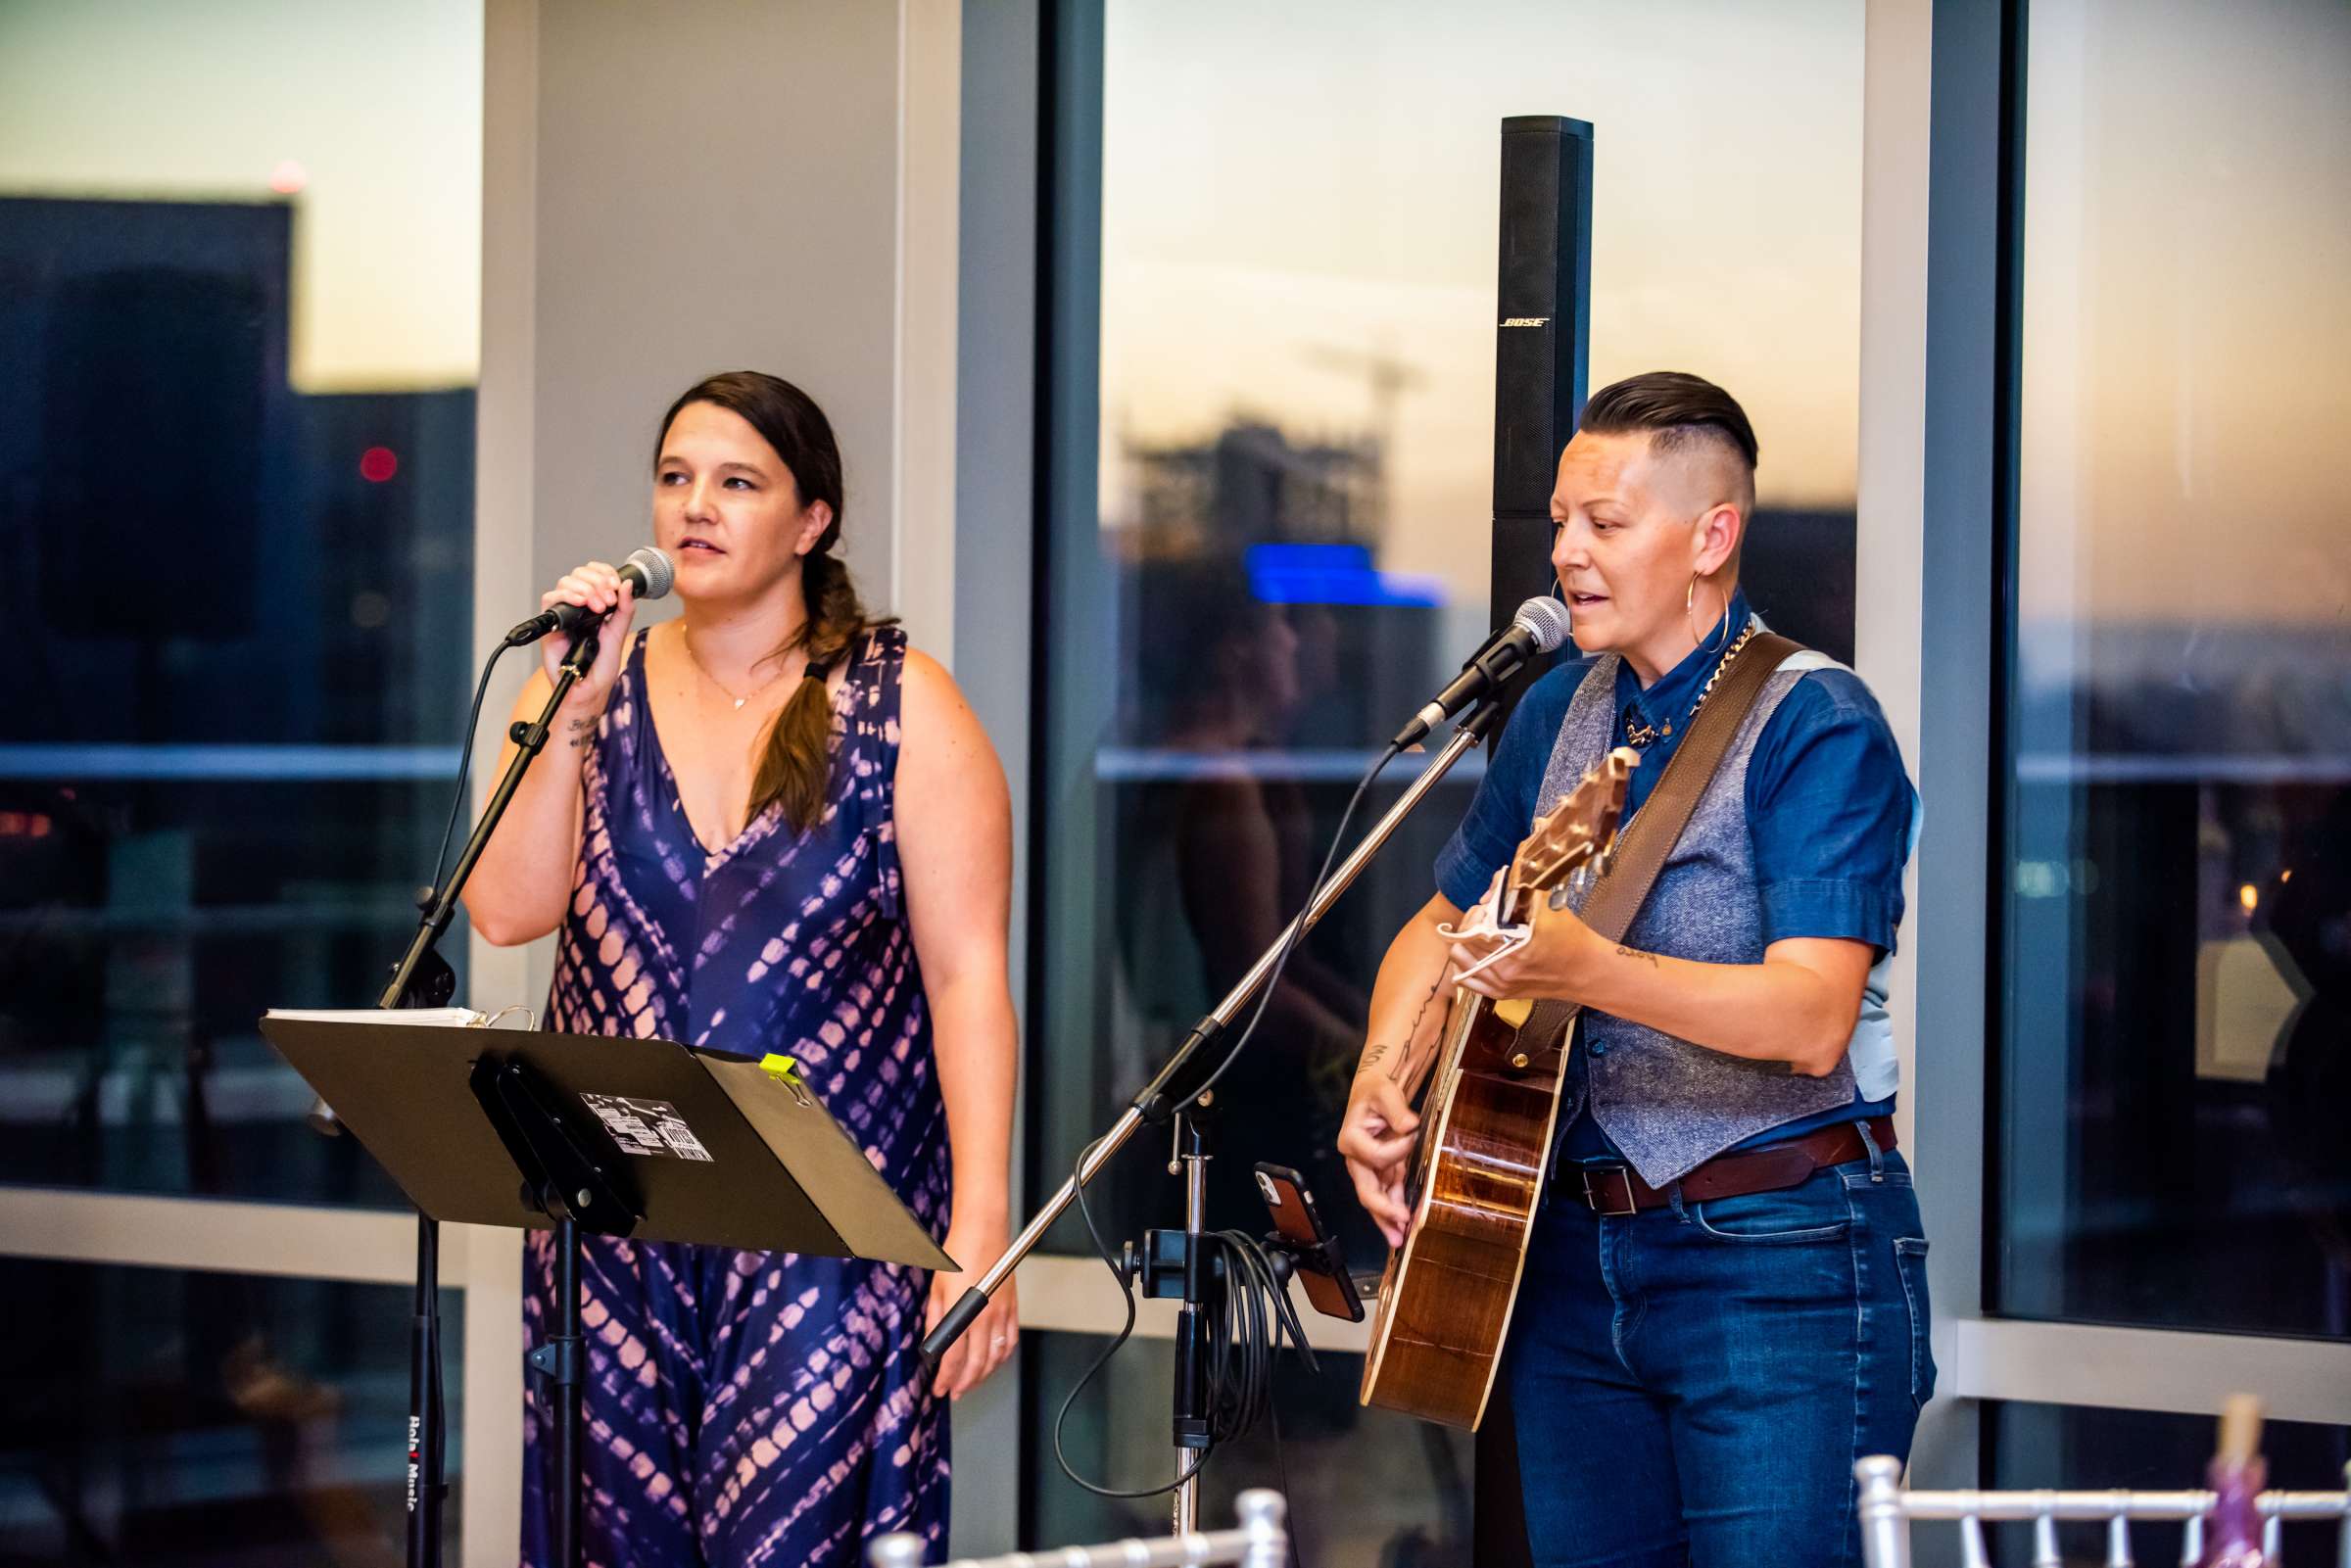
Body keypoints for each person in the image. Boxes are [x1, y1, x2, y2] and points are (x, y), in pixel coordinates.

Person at [1337, 371, 1931, 1568]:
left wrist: (1590, 968)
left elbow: (1812, 1016)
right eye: (1562, 520)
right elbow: (1437, 925)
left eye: (1604, 523)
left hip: (1779, 1258)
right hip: (1566, 1262)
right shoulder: (1561, 707)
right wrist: (1380, 1073)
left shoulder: (1818, 722)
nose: (1567, 552)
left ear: (1713, 535)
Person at [463, 370, 1019, 1566]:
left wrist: (981, 1230)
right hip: (616, 1233)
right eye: (675, 478)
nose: (694, 507)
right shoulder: (579, 690)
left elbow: (969, 973)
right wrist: (568, 711)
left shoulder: (902, 703)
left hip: (830, 1235)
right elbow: (506, 910)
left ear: (812, 521)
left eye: (736, 481)